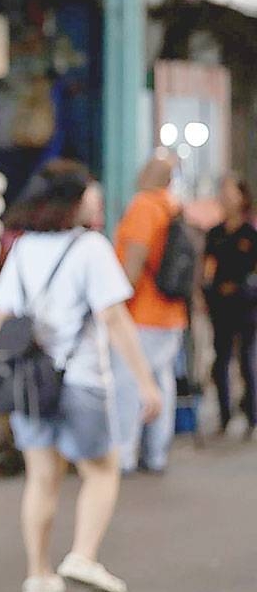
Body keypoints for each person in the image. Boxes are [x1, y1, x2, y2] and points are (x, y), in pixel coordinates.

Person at [0, 160, 161, 592]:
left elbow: (2, 317)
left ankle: (39, 575)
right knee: (101, 470)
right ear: (74, 200)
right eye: (91, 190)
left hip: (28, 381)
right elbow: (113, 317)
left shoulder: (23, 248)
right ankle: (83, 555)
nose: (96, 197)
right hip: (82, 378)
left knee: (41, 478)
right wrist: (145, 380)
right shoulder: (90, 247)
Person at [113, 153, 187, 473]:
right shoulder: (174, 207)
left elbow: (134, 260)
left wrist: (116, 301)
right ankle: (156, 453)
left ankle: (125, 454)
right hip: (171, 313)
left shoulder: (145, 206)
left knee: (129, 383)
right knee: (161, 383)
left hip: (142, 313)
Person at [202, 175, 257, 438]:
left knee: (247, 359)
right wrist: (204, 294)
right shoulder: (216, 234)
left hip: (246, 305)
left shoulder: (250, 234)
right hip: (220, 305)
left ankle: (252, 416)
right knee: (221, 359)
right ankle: (225, 416)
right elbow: (207, 269)